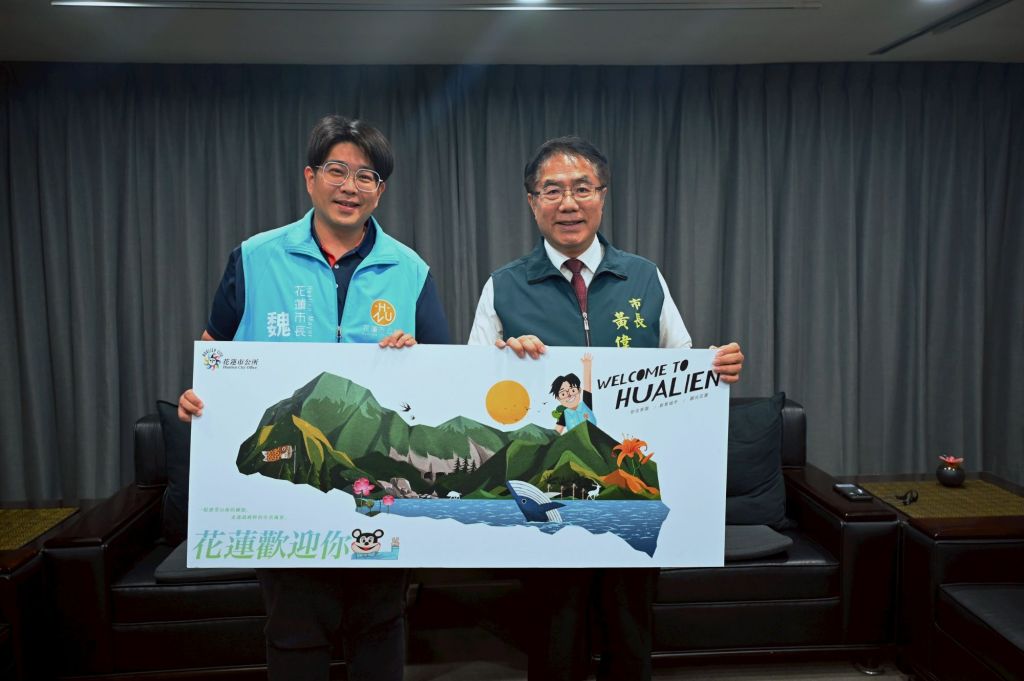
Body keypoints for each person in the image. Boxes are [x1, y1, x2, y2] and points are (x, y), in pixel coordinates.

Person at [178, 114, 450, 681]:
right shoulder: (255, 258)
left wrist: (415, 360)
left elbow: (442, 378)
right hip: (283, 499)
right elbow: (214, 350)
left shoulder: (410, 270)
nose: (350, 187)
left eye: (366, 176)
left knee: (379, 632)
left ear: (380, 190)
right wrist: (199, 399)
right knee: (294, 638)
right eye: (337, 171)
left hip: (376, 494)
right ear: (310, 177)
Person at [468, 136, 743, 681]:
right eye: (552, 191)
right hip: (550, 494)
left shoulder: (644, 276)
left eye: (582, 188)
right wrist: (503, 363)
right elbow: (476, 390)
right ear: (532, 202)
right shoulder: (503, 286)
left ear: (602, 195)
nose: (568, 203)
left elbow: (682, 367)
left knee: (629, 634)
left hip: (628, 489)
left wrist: (717, 367)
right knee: (556, 638)